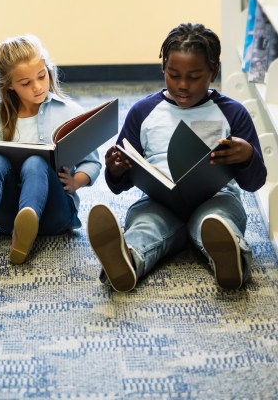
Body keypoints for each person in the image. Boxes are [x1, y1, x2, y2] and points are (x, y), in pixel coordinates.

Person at [88, 23, 267, 292]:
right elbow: (119, 184)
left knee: (217, 222)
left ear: (214, 72)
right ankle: (126, 260)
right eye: (173, 75)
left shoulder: (233, 113)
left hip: (216, 198)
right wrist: (115, 170)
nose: (182, 85)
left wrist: (247, 156)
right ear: (163, 69)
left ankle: (233, 259)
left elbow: (254, 182)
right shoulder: (142, 111)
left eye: (194, 76)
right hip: (159, 200)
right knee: (145, 225)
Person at [0, 35, 101, 264]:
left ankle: (26, 229)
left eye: (41, 76)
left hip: (55, 213)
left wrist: (76, 181)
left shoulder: (69, 111)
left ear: (48, 70)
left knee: (35, 162)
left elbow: (93, 163)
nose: (37, 87)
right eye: (26, 83)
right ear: (10, 85)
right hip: (7, 217)